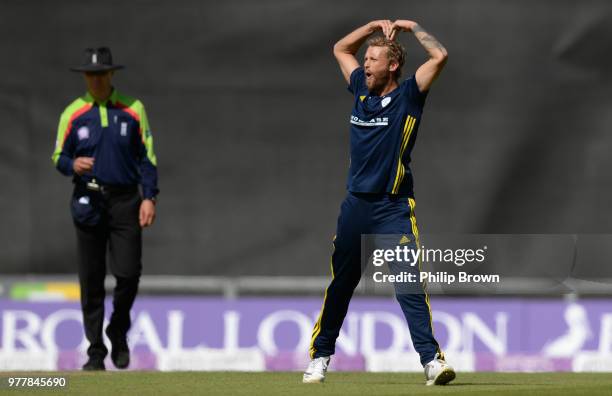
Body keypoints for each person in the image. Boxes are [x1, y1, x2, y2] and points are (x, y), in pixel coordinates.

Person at [303, 20, 453, 386]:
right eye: (365, 59)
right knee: (342, 284)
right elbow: (340, 48)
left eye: (373, 59)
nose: (365, 64)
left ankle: (432, 362)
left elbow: (440, 55)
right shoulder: (359, 90)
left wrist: (413, 27)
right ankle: (321, 357)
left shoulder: (409, 96)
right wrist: (371, 26)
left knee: (408, 284)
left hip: (393, 208)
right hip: (356, 207)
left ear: (393, 66)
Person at [51, 47, 159, 371]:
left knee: (128, 273)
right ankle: (95, 351)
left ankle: (118, 328)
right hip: (89, 200)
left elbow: (147, 157)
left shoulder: (133, 109)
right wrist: (73, 163)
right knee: (92, 277)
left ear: (111, 75)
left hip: (126, 200)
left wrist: (149, 196)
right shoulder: (72, 113)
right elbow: (57, 156)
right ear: (85, 76)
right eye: (90, 75)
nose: (95, 80)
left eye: (101, 74)